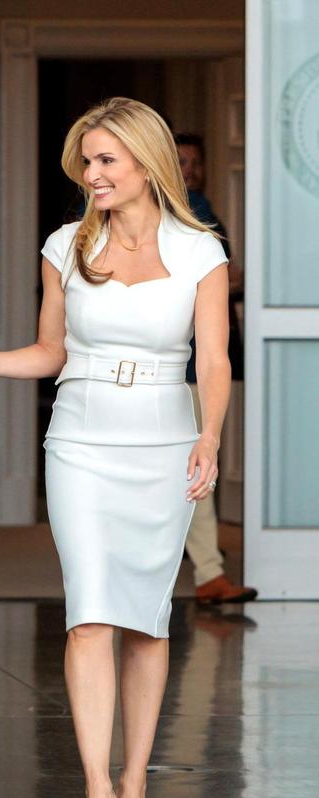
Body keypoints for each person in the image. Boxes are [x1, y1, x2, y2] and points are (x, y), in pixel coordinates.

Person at [0, 98, 231, 798]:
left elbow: (212, 361)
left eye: (106, 161)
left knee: (146, 621)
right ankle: (96, 792)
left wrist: (210, 435)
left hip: (163, 442)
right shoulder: (64, 244)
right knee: (88, 612)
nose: (91, 174)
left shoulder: (200, 252)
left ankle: (136, 785)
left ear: (146, 163)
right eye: (86, 161)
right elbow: (50, 351)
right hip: (81, 441)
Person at [174, 132, 256, 605]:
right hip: (187, 362)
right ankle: (208, 572)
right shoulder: (193, 205)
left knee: (194, 462)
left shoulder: (190, 204)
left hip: (191, 359)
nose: (188, 171)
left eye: (194, 163)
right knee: (197, 464)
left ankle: (206, 566)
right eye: (180, 161)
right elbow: (228, 274)